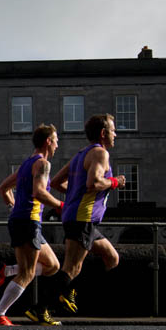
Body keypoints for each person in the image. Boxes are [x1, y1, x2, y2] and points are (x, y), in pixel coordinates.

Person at [38, 113, 125, 317]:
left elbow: (57, 182)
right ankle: (41, 308)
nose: (116, 135)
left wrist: (76, 191)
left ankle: (72, 293)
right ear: (103, 133)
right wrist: (115, 182)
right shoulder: (100, 154)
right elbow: (93, 183)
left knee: (112, 258)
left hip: (80, 218)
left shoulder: (80, 154)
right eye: (113, 131)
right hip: (82, 217)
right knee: (71, 268)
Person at [0, 124, 64, 326]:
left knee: (53, 265)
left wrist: (14, 206)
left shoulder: (26, 165)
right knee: (28, 273)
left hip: (23, 220)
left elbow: (3, 188)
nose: (57, 145)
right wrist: (61, 205)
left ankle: (6, 271)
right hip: (28, 221)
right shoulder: (42, 165)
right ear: (48, 141)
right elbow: (39, 192)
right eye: (56, 140)